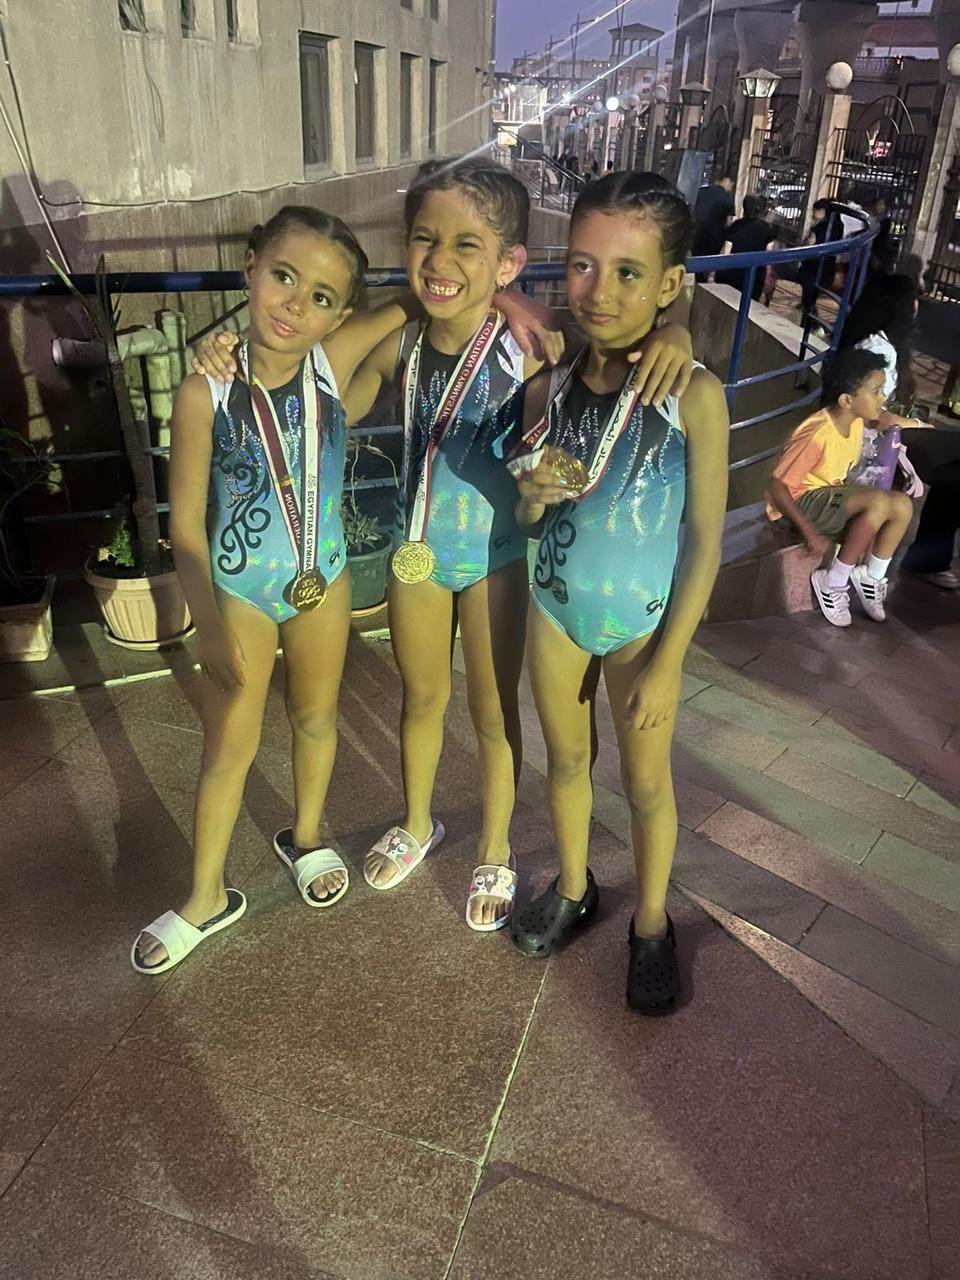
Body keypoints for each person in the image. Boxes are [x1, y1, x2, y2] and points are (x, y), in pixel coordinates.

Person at [130, 206, 423, 973]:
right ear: (251, 268)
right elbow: (184, 526)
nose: (295, 305)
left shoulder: (333, 364)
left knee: (316, 716)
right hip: (240, 593)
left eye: (322, 297)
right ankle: (205, 895)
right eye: (284, 277)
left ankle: (308, 835)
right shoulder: (204, 391)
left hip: (323, 582)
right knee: (230, 743)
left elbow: (427, 293)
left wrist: (514, 299)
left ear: (341, 315)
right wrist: (204, 621)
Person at [508, 172, 730, 1015]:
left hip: (642, 627)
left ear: (671, 284)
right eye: (582, 265)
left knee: (646, 786)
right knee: (567, 762)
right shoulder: (551, 380)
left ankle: (651, 921)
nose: (598, 291)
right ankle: (574, 886)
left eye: (629, 272)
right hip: (556, 608)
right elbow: (531, 514)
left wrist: (669, 664)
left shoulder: (692, 395)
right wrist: (532, 500)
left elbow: (704, 540)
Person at [766, 347, 917, 627]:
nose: (882, 398)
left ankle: (871, 576)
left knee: (902, 505)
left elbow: (887, 419)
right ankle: (833, 581)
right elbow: (778, 487)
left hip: (829, 499)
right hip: (800, 504)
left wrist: (920, 424)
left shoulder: (856, 420)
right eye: (876, 392)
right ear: (847, 400)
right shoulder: (817, 433)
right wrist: (809, 533)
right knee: (878, 501)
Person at [713, 193, 773, 301]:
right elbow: (769, 253)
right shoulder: (765, 228)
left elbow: (725, 249)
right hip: (751, 281)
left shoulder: (736, 225)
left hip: (729, 276)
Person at [797, 199, 836, 320]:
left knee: (811, 291)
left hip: (819, 265)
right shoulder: (819, 224)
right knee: (808, 291)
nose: (814, 213)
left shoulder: (831, 226)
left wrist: (812, 243)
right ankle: (808, 312)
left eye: (816, 210)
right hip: (812, 264)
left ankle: (810, 316)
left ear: (823, 211)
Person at [692, 172, 734, 268]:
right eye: (731, 184)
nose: (731, 188)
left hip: (697, 233)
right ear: (726, 180)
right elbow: (729, 222)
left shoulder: (701, 191)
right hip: (715, 237)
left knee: (696, 261)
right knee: (708, 264)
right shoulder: (727, 196)